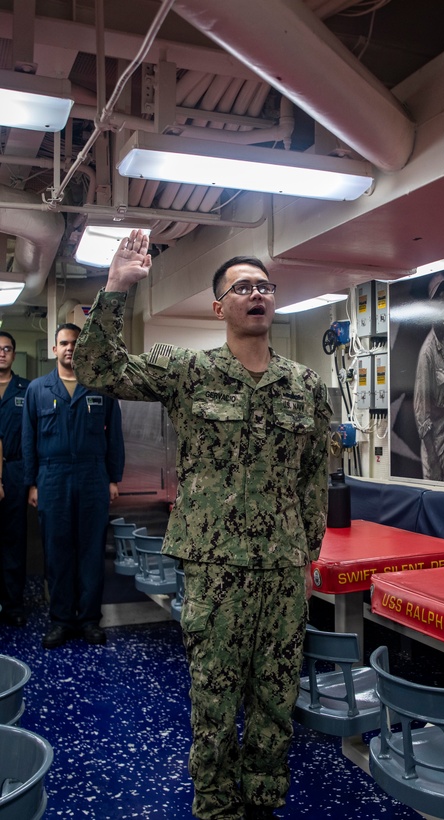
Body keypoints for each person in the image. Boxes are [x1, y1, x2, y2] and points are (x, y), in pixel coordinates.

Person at [73, 247, 332, 820]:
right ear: (219, 307)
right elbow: (99, 369)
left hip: (283, 569)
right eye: (242, 287)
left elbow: (317, 477)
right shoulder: (190, 371)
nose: (257, 293)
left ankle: (264, 800)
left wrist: (306, 551)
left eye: (264, 285)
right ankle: (215, 805)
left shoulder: (305, 385)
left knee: (275, 694)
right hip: (215, 566)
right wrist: (117, 286)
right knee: (213, 697)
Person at [22, 323, 124, 648]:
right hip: (51, 478)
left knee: (92, 550)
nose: (69, 348)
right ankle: (61, 621)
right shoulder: (38, 390)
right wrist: (31, 483)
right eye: (64, 343)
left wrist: (113, 478)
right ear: (54, 349)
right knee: (57, 551)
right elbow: (28, 441)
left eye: (75, 343)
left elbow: (114, 438)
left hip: (93, 476)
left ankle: (90, 620)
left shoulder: (100, 388)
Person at [0, 331, 32, 627]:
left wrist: (32, 480)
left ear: (13, 353)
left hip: (15, 471)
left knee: (14, 539)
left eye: (7, 349)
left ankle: (12, 605)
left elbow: (33, 437)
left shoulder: (26, 389)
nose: (2, 353)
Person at [413, 271, 444, 481]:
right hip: (436, 453)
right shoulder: (427, 353)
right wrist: (435, 465)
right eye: (440, 302)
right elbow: (422, 417)